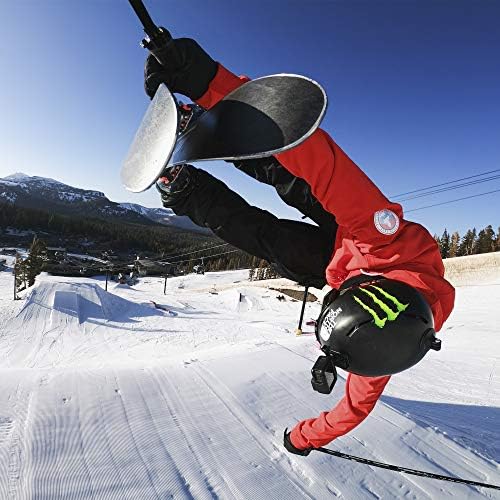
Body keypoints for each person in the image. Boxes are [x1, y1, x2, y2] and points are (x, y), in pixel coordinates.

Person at [143, 36, 456, 455]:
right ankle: (211, 124)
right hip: (358, 238)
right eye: (335, 298)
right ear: (364, 290)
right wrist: (208, 83)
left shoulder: (381, 351)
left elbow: (351, 412)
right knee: (293, 177)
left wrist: (301, 437)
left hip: (341, 264)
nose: (329, 293)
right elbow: (319, 158)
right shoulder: (384, 235)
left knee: (274, 241)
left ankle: (189, 192)